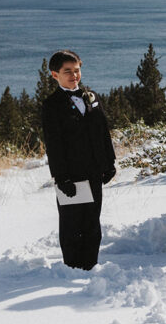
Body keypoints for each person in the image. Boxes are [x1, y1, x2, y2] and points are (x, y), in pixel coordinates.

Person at [40, 50, 117, 270]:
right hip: (71, 174)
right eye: (67, 72)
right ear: (55, 75)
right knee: (72, 223)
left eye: (77, 70)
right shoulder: (52, 105)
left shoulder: (90, 97)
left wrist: (109, 163)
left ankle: (91, 265)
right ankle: (72, 268)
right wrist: (61, 178)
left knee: (92, 221)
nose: (74, 76)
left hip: (94, 171)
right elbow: (53, 145)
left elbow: (103, 132)